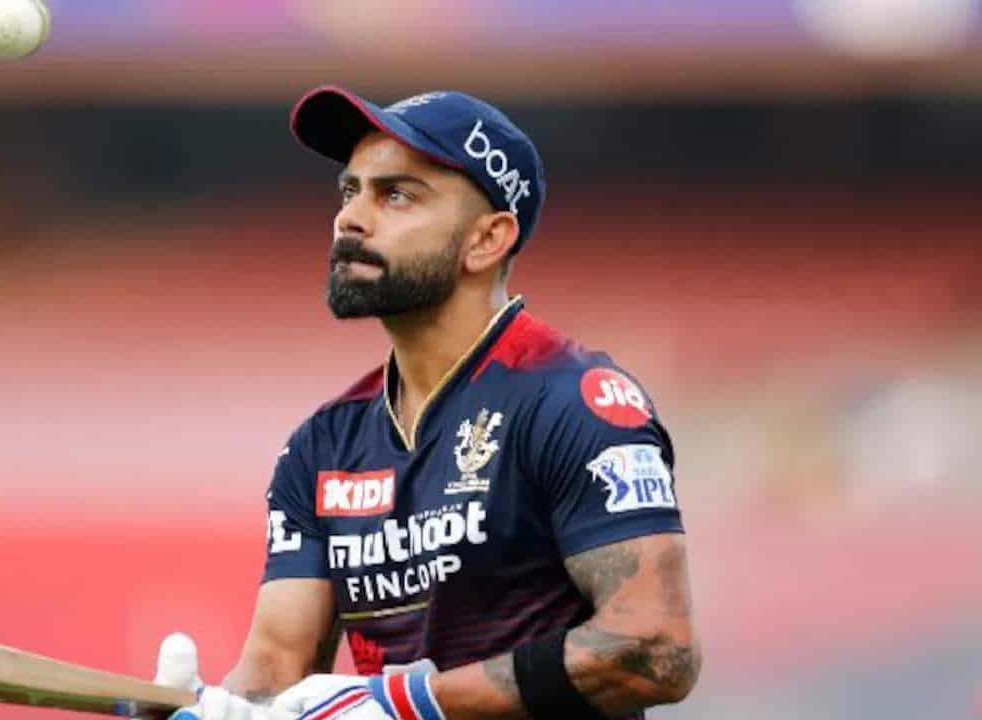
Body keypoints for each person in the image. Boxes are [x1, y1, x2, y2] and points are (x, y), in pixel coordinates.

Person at [159, 86, 701, 720]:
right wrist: (218, 710)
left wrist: (409, 702)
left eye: (396, 195)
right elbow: (276, 673)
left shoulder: (573, 401)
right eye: (349, 191)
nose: (351, 218)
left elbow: (656, 650)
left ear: (487, 240)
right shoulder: (323, 445)